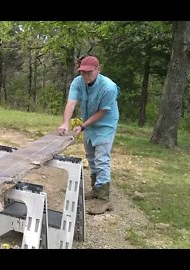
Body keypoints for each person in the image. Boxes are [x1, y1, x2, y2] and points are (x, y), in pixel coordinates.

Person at [58, 55, 119, 215]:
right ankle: (96, 189)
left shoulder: (109, 87)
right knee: (91, 157)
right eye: (83, 72)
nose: (85, 76)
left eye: (89, 72)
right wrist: (65, 122)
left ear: (98, 70)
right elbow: (71, 103)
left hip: (105, 124)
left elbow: (103, 111)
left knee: (101, 159)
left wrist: (83, 126)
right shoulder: (78, 82)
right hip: (88, 124)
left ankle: (104, 200)